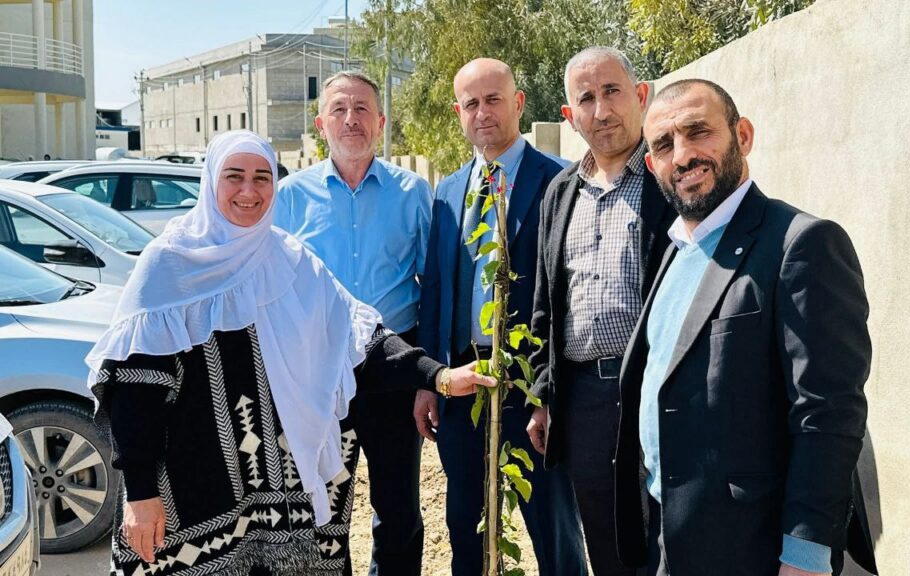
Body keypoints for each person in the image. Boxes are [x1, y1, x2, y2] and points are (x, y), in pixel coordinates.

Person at [86, 130, 494, 576]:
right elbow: (134, 394)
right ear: (210, 180)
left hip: (284, 504)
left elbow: (361, 340)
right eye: (234, 176)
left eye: (262, 178)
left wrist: (438, 376)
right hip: (194, 498)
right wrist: (140, 492)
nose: (249, 190)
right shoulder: (167, 266)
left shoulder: (290, 261)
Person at [613, 79, 873, 576]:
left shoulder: (802, 244)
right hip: (667, 530)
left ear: (743, 135)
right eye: (664, 145)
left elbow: (827, 412)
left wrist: (805, 554)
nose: (682, 156)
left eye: (698, 132)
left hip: (750, 545)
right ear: (651, 165)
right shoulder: (674, 249)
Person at [416, 58, 587, 576]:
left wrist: (548, 392)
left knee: (552, 525)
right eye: (471, 103)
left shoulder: (559, 180)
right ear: (458, 113)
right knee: (466, 520)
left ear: (518, 103)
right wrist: (430, 379)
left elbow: (570, 293)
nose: (483, 113)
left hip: (531, 382)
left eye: (493, 100)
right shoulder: (448, 191)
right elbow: (435, 289)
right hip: (464, 381)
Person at [274, 71, 432, 575]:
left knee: (398, 506)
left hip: (394, 368)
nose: (351, 119)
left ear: (381, 122)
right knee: (320, 507)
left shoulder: (412, 193)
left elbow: (433, 287)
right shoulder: (289, 197)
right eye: (339, 109)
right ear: (321, 124)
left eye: (362, 108)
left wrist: (426, 380)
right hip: (317, 371)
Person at [525, 46, 675, 576]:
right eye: (586, 98)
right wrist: (543, 397)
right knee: (607, 544)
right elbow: (545, 304)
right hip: (584, 399)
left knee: (670, 539)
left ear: (641, 95)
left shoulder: (670, 180)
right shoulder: (559, 192)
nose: (602, 109)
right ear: (570, 115)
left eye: (612, 91)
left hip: (659, 391)